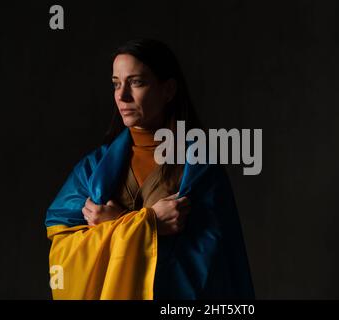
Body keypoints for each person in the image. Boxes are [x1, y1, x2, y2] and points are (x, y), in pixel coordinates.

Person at [45, 38, 254, 300]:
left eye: (136, 82)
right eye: (116, 84)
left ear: (167, 90)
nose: (122, 96)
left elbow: (212, 268)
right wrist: (149, 223)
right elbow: (63, 253)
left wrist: (112, 224)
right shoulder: (92, 169)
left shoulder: (198, 169)